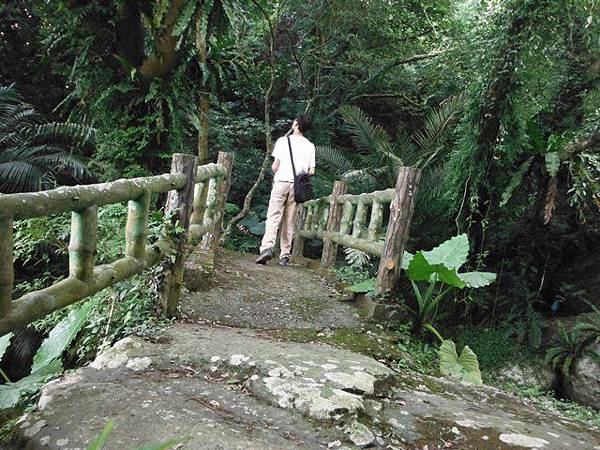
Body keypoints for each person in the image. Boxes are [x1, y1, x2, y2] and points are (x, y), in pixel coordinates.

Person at [256, 115, 315, 266]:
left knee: (274, 216)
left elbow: (275, 166)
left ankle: (267, 248)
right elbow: (311, 171)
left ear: (296, 124)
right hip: (296, 187)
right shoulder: (310, 146)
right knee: (289, 221)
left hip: (281, 182)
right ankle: (285, 255)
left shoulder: (283, 141)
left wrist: (276, 170)